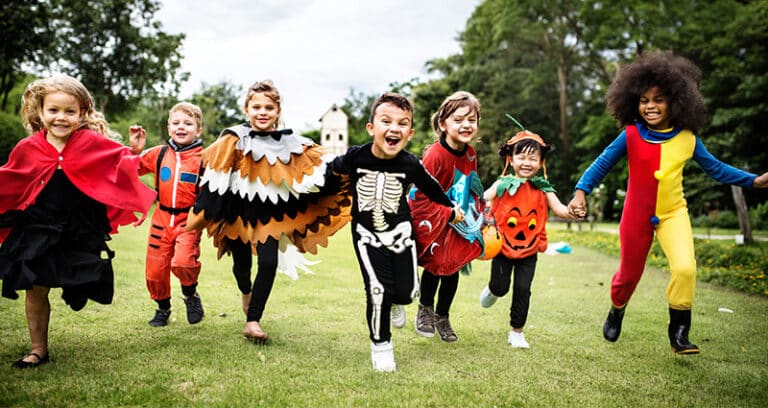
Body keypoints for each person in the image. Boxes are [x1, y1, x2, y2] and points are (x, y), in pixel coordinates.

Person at [566, 51, 768, 354]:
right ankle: (616, 310)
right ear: (634, 102)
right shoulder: (631, 134)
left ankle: (679, 332)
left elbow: (716, 169)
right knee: (628, 277)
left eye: (658, 99)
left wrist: (753, 181)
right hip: (636, 215)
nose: (650, 106)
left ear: (676, 101)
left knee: (686, 268)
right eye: (644, 100)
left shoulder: (688, 138)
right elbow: (602, 163)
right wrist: (581, 191)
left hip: (674, 213)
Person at [0, 74, 156, 368]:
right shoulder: (28, 147)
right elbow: (10, 178)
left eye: (69, 111)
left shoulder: (91, 143)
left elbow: (121, 165)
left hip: (79, 226)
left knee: (79, 283)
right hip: (38, 225)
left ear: (82, 113)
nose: (61, 117)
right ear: (40, 111)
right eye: (54, 110)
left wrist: (135, 152)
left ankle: (78, 288)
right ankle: (38, 349)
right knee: (36, 287)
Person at [187, 80, 351, 342]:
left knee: (268, 262)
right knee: (242, 266)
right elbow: (199, 162)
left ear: (277, 110)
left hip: (270, 215)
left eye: (268, 107)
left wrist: (357, 159)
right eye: (256, 107)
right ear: (246, 109)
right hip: (237, 214)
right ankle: (245, 291)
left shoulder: (292, 143)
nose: (262, 112)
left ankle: (253, 320)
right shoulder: (232, 139)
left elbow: (323, 162)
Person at [329, 92, 465, 372]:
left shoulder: (410, 163)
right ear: (371, 128)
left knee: (405, 292)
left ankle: (396, 302)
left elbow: (431, 188)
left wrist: (451, 209)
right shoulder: (356, 156)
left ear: (410, 133)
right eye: (386, 121)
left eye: (402, 124)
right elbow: (328, 174)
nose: (394, 128)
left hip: (401, 231)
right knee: (378, 289)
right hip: (366, 234)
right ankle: (381, 346)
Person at [479, 129, 578, 349]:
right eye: (521, 157)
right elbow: (483, 198)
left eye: (532, 158)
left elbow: (560, 209)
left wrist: (573, 210)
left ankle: (517, 331)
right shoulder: (502, 184)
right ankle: (494, 290)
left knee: (523, 288)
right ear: (511, 159)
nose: (526, 162)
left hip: (529, 249)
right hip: (503, 247)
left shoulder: (543, 189)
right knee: (501, 286)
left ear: (541, 162)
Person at [408, 91, 485, 343]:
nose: (466, 125)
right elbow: (420, 193)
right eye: (458, 119)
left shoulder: (471, 153)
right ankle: (425, 310)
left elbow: (469, 183)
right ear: (443, 124)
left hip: (459, 222)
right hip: (436, 220)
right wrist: (445, 213)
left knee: (453, 269)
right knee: (435, 266)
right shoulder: (435, 155)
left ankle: (443, 316)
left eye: (471, 120)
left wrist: (478, 211)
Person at [129, 102, 205, 327]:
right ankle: (163, 309)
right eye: (176, 122)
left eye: (188, 123)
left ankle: (191, 296)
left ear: (198, 130)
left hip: (188, 220)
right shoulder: (159, 153)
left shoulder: (204, 158)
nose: (181, 127)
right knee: (155, 270)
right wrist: (134, 151)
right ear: (169, 127)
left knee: (183, 262)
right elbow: (131, 168)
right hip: (161, 218)